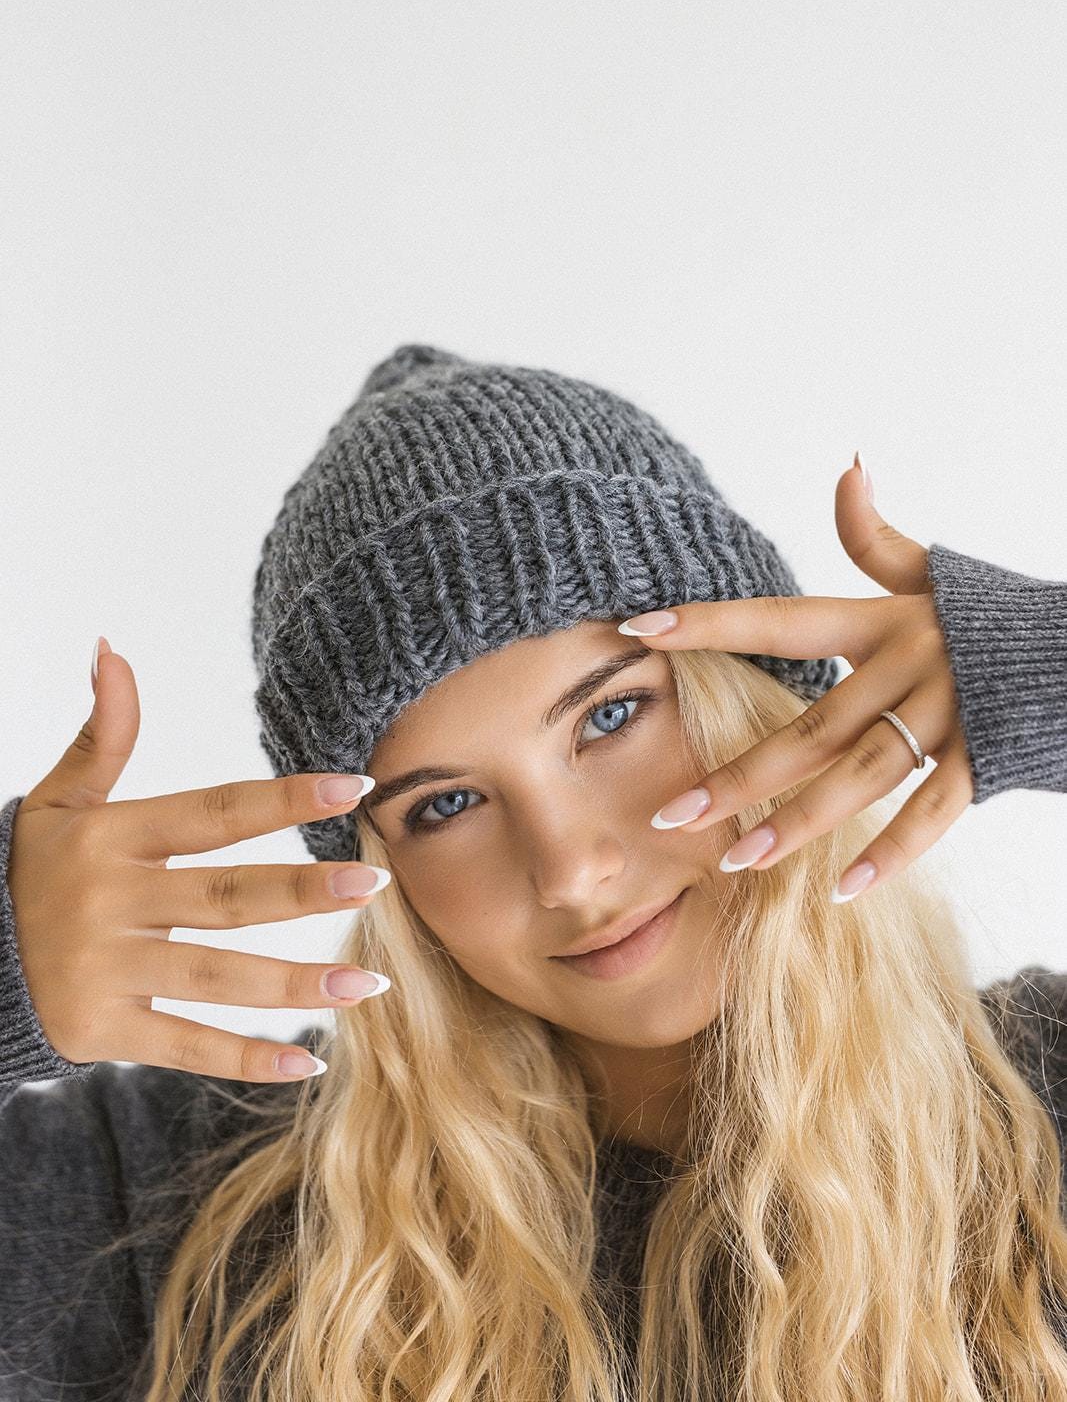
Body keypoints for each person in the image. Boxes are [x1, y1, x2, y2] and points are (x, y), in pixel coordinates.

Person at [0, 342, 1064, 1401]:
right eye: (444, 805)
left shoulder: (1040, 1115)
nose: (571, 869)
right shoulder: (184, 1206)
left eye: (609, 716)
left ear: (757, 689)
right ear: (378, 869)